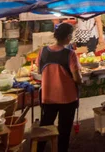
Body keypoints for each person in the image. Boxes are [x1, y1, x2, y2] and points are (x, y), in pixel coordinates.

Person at [37, 23, 82, 152]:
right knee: (64, 131)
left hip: (48, 97)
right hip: (67, 99)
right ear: (68, 37)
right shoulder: (70, 54)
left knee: (45, 127)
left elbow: (41, 71)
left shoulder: (43, 51)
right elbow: (77, 78)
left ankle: (38, 149)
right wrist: (81, 79)